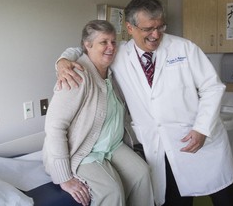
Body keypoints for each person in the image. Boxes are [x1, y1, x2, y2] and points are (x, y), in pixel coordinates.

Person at [55, 0, 233, 206]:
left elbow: (212, 87)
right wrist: (63, 60)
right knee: (176, 201)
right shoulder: (118, 53)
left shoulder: (183, 48)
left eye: (160, 27)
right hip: (162, 147)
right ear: (130, 28)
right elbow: (84, 47)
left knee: (226, 200)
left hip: (202, 140)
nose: (155, 35)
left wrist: (202, 128)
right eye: (147, 29)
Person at [42, 19, 154, 206]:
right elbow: (54, 126)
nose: (110, 47)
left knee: (142, 173)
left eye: (113, 41)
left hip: (111, 146)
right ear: (88, 45)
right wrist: (64, 178)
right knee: (111, 190)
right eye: (104, 42)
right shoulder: (76, 75)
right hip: (83, 151)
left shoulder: (111, 73)